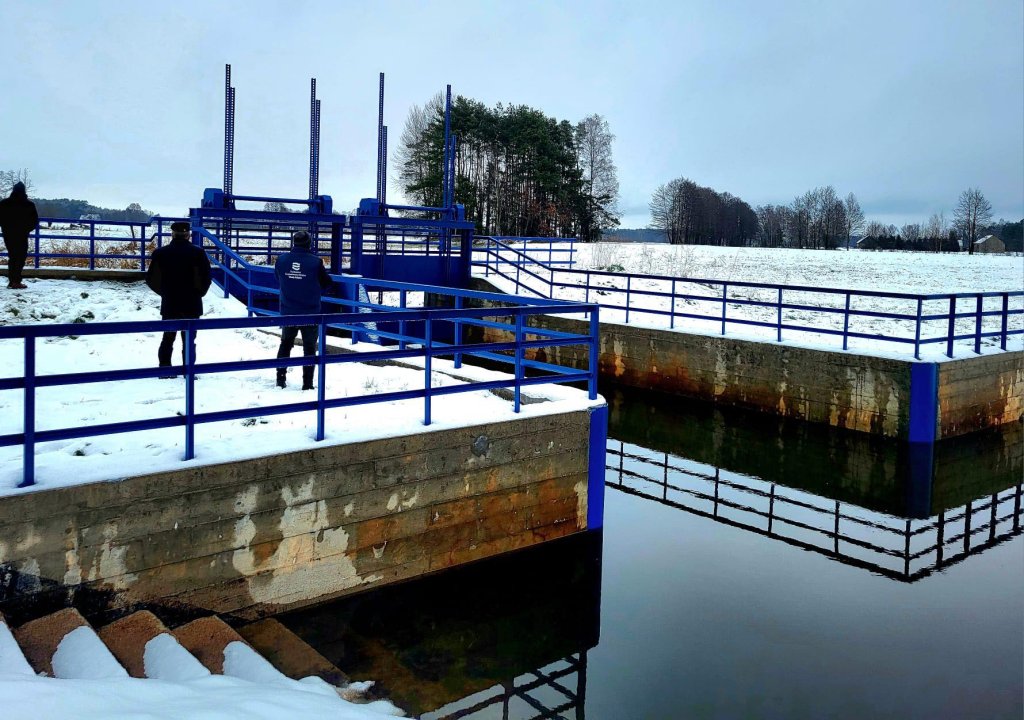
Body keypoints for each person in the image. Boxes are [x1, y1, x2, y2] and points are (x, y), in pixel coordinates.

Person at [146, 221, 212, 373]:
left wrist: (165, 293)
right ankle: (188, 370)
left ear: (172, 234)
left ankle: (165, 369)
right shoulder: (198, 253)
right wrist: (198, 293)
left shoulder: (161, 253)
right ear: (188, 234)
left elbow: (152, 279)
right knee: (189, 340)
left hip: (170, 303)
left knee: (168, 338)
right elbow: (206, 278)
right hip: (192, 303)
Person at [275, 230, 331, 389]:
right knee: (309, 347)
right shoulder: (316, 262)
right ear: (309, 243)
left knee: (285, 344)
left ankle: (280, 379)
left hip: (288, 311)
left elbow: (278, 278)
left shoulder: (281, 260)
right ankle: (307, 384)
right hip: (310, 312)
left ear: (294, 242)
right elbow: (327, 283)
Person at [0, 182, 39, 289]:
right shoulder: (29, 205)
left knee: (12, 257)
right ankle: (16, 280)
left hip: (8, 234)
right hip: (22, 234)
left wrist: (6, 227)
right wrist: (26, 229)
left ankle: (12, 280)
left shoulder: (4, 203)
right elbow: (34, 221)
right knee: (20, 257)